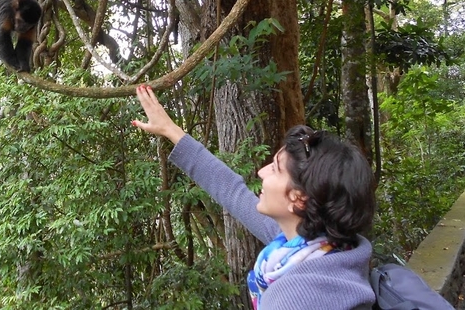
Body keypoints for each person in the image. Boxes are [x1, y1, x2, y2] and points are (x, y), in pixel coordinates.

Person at [132, 84, 376, 310]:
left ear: (299, 199)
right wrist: (169, 129)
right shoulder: (324, 247)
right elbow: (232, 191)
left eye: (276, 168)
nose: (261, 171)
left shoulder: (296, 297)